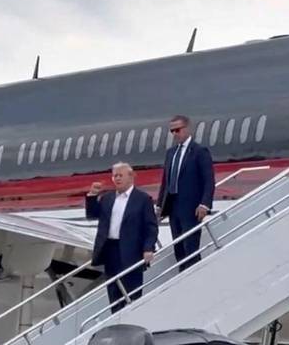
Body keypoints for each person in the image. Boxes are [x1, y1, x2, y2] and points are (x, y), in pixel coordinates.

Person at [86, 162, 158, 313]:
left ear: (131, 177)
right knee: (113, 291)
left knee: (132, 291)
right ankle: (116, 318)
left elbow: (151, 227)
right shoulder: (108, 198)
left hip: (132, 251)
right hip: (111, 249)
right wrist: (92, 196)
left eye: (120, 175)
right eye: (115, 176)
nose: (117, 179)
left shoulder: (142, 199)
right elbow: (92, 214)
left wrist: (148, 248)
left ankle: (132, 318)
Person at [157, 115, 215, 271]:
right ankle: (183, 273)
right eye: (172, 131)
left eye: (177, 130)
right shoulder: (171, 153)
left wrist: (204, 203)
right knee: (179, 247)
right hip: (173, 206)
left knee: (191, 246)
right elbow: (166, 181)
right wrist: (159, 205)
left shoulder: (199, 152)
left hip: (191, 207)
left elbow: (208, 180)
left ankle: (194, 275)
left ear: (187, 129)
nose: (175, 134)